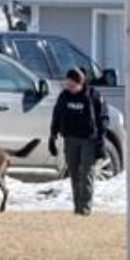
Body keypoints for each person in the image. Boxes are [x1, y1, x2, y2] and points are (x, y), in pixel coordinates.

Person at [48, 67, 108, 215]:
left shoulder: (93, 96)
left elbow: (103, 120)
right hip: (70, 138)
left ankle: (85, 209)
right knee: (74, 173)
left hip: (89, 140)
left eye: (73, 85)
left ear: (80, 83)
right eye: (67, 84)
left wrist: (100, 143)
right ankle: (77, 208)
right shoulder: (64, 97)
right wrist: (53, 136)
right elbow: (57, 115)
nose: (70, 88)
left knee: (86, 173)